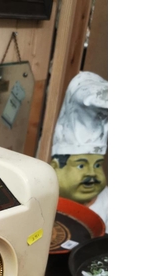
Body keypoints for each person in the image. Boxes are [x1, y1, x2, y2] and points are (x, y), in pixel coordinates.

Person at [50, 72, 108, 230]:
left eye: (97, 165)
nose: (92, 174)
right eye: (81, 165)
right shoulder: (43, 199)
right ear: (55, 168)